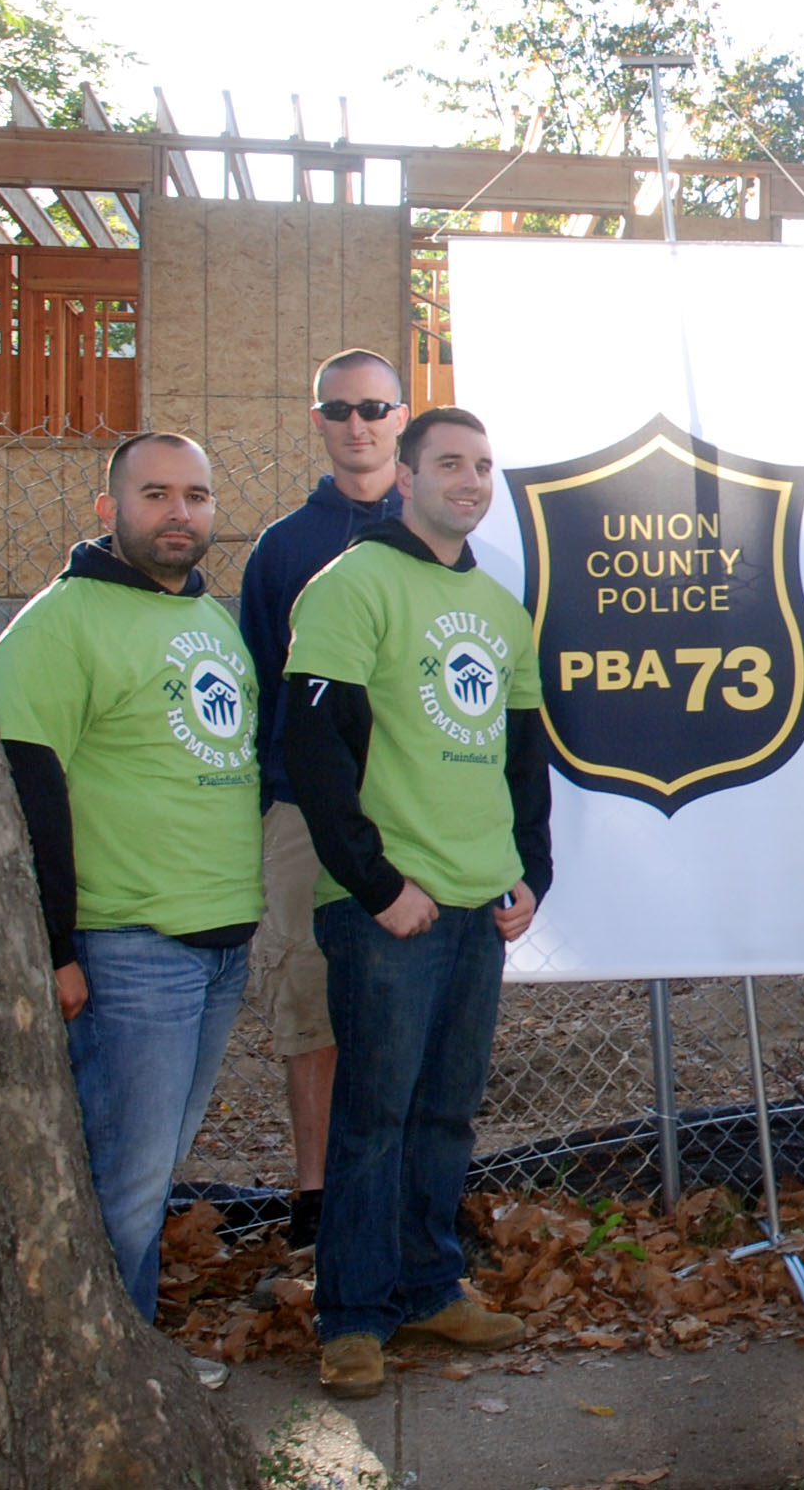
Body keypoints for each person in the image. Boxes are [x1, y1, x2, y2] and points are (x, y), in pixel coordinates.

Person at [283, 406, 551, 1397]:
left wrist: (532, 870)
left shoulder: (497, 603)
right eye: (450, 463)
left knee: (445, 1113)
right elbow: (313, 750)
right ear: (405, 474)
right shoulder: (353, 584)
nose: (471, 481)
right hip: (392, 907)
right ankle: (353, 1316)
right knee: (373, 1118)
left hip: (479, 907)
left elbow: (525, 756)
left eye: (483, 465)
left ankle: (431, 1287)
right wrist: (379, 884)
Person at [0, 432, 262, 1359]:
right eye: (155, 494)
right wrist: (56, 946)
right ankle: (105, 1371)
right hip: (130, 946)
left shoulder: (209, 618)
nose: (179, 512)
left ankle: (126, 1362)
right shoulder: (59, 624)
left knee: (154, 1171)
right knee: (125, 1182)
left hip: (222, 941)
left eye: (196, 495)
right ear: (109, 510)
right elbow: (28, 794)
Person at [236, 347, 407, 1256]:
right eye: (339, 409)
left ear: (401, 417)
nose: (358, 424)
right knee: (312, 1002)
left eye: (375, 408)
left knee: (407, 1004)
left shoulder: (438, 536)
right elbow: (263, 684)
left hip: (415, 809)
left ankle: (410, 1203)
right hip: (305, 811)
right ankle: (314, 1199)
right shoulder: (284, 547)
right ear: (318, 421)